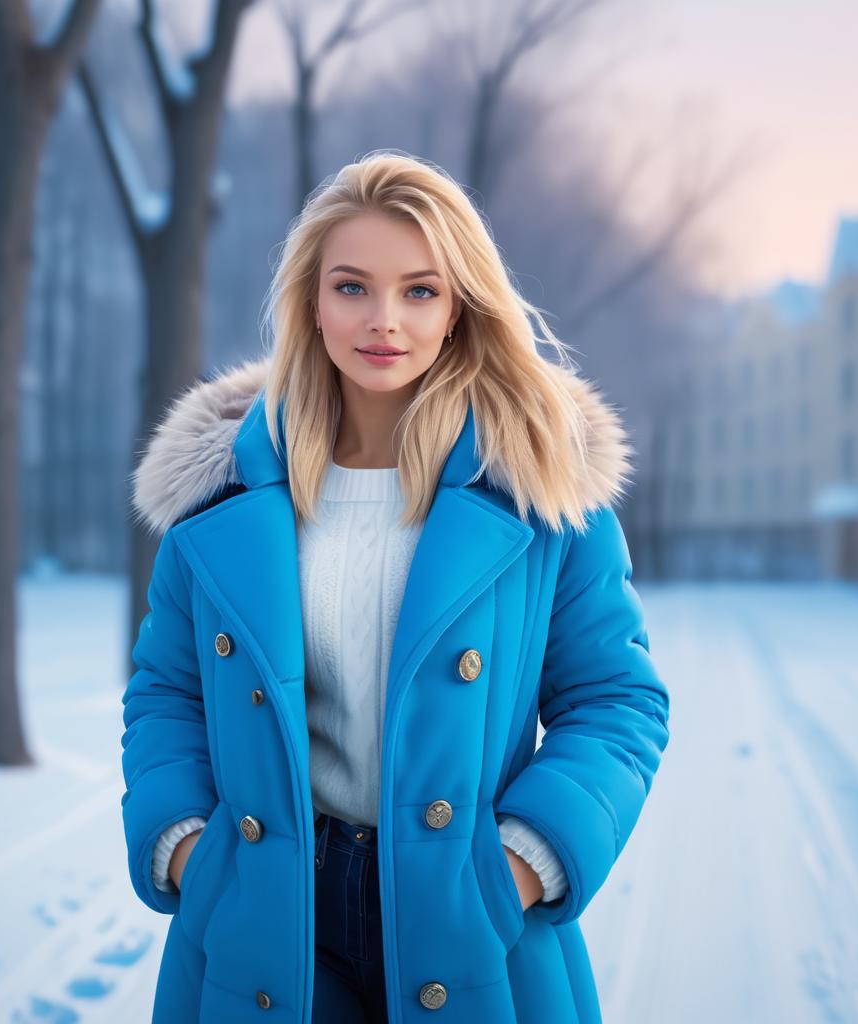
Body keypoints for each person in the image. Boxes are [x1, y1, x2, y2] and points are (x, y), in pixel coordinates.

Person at [121, 150, 670, 1023]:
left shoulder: (538, 485)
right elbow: (165, 691)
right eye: (352, 287)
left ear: (459, 308)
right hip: (267, 910)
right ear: (310, 300)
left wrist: (522, 864)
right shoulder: (219, 494)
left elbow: (616, 699)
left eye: (419, 290)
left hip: (471, 911)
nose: (385, 320)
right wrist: (189, 848)